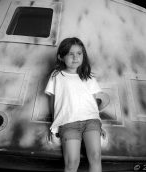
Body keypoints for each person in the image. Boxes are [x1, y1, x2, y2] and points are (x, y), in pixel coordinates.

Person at [45, 37, 105, 172]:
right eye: (70, 54)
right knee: (72, 162)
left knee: (95, 156)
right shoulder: (57, 76)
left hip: (91, 121)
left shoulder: (88, 77)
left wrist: (100, 123)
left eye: (79, 53)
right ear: (61, 56)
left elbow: (93, 102)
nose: (75, 57)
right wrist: (54, 125)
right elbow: (53, 101)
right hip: (68, 123)